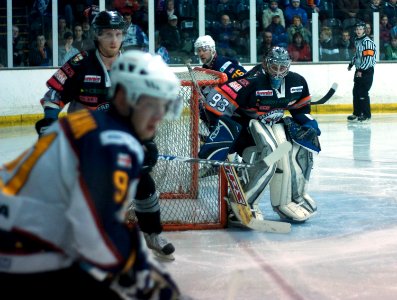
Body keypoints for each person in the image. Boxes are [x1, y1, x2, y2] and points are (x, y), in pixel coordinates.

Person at [0, 50, 182, 299]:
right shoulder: (112, 142)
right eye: (150, 104)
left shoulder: (93, 123)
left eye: (164, 106)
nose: (158, 116)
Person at [37, 10, 177, 261]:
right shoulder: (80, 63)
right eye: (108, 35)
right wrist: (49, 121)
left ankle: (152, 234)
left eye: (118, 34)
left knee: (143, 182)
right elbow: (54, 95)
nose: (114, 40)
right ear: (97, 36)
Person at [198, 46, 320, 223]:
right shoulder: (251, 82)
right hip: (246, 129)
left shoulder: (297, 82)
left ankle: (287, 201)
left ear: (288, 65)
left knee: (290, 156)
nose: (278, 72)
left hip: (271, 125)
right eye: (274, 67)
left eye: (282, 67)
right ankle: (243, 202)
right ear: (265, 64)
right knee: (267, 159)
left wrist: (310, 124)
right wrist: (224, 131)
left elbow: (300, 108)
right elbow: (215, 102)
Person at [347, 20, 377, 122]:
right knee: (356, 92)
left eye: (360, 29)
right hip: (359, 70)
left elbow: (368, 59)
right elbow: (357, 55)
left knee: (363, 92)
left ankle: (366, 115)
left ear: (364, 30)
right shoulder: (357, 40)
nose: (359, 31)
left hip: (366, 71)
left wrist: (361, 69)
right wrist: (351, 63)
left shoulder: (367, 42)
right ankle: (357, 113)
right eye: (357, 29)